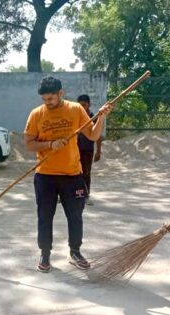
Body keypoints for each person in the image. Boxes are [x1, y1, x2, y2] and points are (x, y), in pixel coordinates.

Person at [24, 77, 110, 273]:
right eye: (44, 99)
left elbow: (93, 135)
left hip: (72, 175)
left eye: (51, 99)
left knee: (75, 216)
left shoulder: (75, 110)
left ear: (61, 93)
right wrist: (49, 145)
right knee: (45, 216)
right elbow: (29, 144)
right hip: (45, 175)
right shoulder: (36, 114)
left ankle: (75, 251)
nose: (47, 103)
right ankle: (45, 253)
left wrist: (102, 117)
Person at [76, 94, 103, 206]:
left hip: (87, 150)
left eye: (84, 105)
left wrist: (98, 151)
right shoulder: (75, 117)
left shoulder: (94, 117)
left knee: (86, 173)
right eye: (80, 105)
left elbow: (98, 135)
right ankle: (76, 195)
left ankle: (86, 196)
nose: (82, 107)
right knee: (75, 173)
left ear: (89, 105)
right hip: (75, 150)